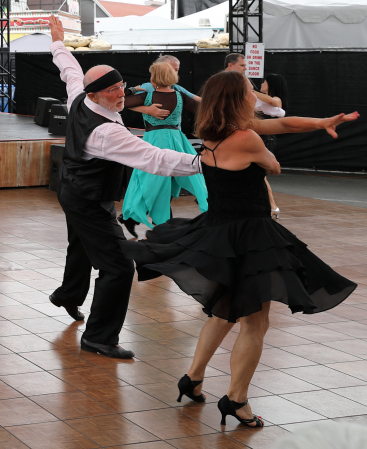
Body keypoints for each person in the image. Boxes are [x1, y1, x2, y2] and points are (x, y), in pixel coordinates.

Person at [121, 70, 358, 425]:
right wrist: (269, 159)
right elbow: (273, 167)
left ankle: (194, 378)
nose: (256, 94)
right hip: (249, 237)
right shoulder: (246, 138)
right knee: (255, 323)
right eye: (250, 91)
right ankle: (237, 400)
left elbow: (284, 125)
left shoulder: (217, 132)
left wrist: (321, 122)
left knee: (223, 310)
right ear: (238, 99)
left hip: (221, 232)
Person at [47, 16, 202, 359]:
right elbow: (154, 159)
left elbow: (70, 69)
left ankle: (67, 295)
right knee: (118, 266)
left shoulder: (80, 96)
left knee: (83, 245)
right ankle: (99, 337)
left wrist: (58, 41)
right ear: (95, 94)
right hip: (88, 198)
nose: (122, 94)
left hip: (74, 190)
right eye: (112, 91)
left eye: (122, 87)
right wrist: (204, 163)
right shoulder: (107, 133)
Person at [120, 62, 207, 237]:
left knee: (146, 178)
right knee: (193, 174)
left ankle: (135, 217)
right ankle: (163, 221)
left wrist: (134, 90)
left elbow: (120, 101)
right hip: (176, 139)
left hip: (155, 140)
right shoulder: (180, 95)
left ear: (155, 78)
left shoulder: (147, 96)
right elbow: (201, 107)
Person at [255, 73, 289, 218]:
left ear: (272, 84)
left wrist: (249, 90)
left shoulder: (276, 100)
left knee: (260, 175)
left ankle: (272, 206)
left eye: (265, 82)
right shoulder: (260, 101)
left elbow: (274, 102)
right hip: (258, 138)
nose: (262, 84)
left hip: (265, 140)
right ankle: (268, 206)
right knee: (257, 175)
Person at [224, 53, 285, 118]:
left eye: (265, 82)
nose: (245, 68)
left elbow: (273, 102)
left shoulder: (243, 80)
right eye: (242, 65)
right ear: (230, 65)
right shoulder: (221, 82)